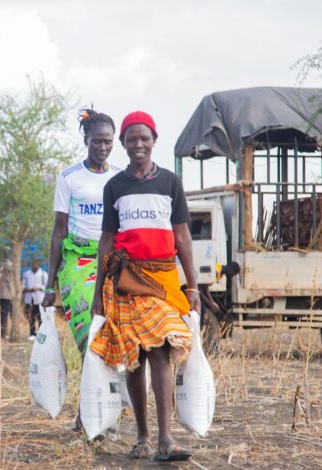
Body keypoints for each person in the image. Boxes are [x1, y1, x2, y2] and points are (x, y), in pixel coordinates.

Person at [90, 111, 199, 461]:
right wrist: (97, 295)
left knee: (162, 349)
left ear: (154, 140)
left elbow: (182, 236)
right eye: (131, 139)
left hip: (164, 281)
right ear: (122, 144)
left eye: (144, 138)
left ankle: (166, 439)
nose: (138, 144)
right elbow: (106, 241)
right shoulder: (114, 187)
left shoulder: (170, 182)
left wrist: (192, 286)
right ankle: (143, 438)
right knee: (135, 358)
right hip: (126, 281)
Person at [42, 108, 120, 356]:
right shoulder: (69, 178)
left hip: (113, 259)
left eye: (108, 141)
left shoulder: (120, 178)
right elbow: (58, 232)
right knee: (89, 325)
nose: (102, 147)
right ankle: (93, 389)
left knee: (117, 325)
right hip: (78, 260)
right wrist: (49, 284)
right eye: (97, 141)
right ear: (86, 140)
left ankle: (115, 391)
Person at [22, 261, 48, 340]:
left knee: (40, 317)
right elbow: (23, 285)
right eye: (33, 265)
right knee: (31, 317)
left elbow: (47, 286)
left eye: (36, 265)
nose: (34, 266)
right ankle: (32, 333)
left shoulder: (43, 274)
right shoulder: (27, 274)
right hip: (30, 299)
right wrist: (27, 289)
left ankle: (40, 334)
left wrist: (39, 288)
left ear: (39, 265)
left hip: (40, 299)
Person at [0, 260, 15, 339]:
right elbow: (11, 287)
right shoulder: (7, 275)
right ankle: (1, 334)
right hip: (6, 297)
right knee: (4, 316)